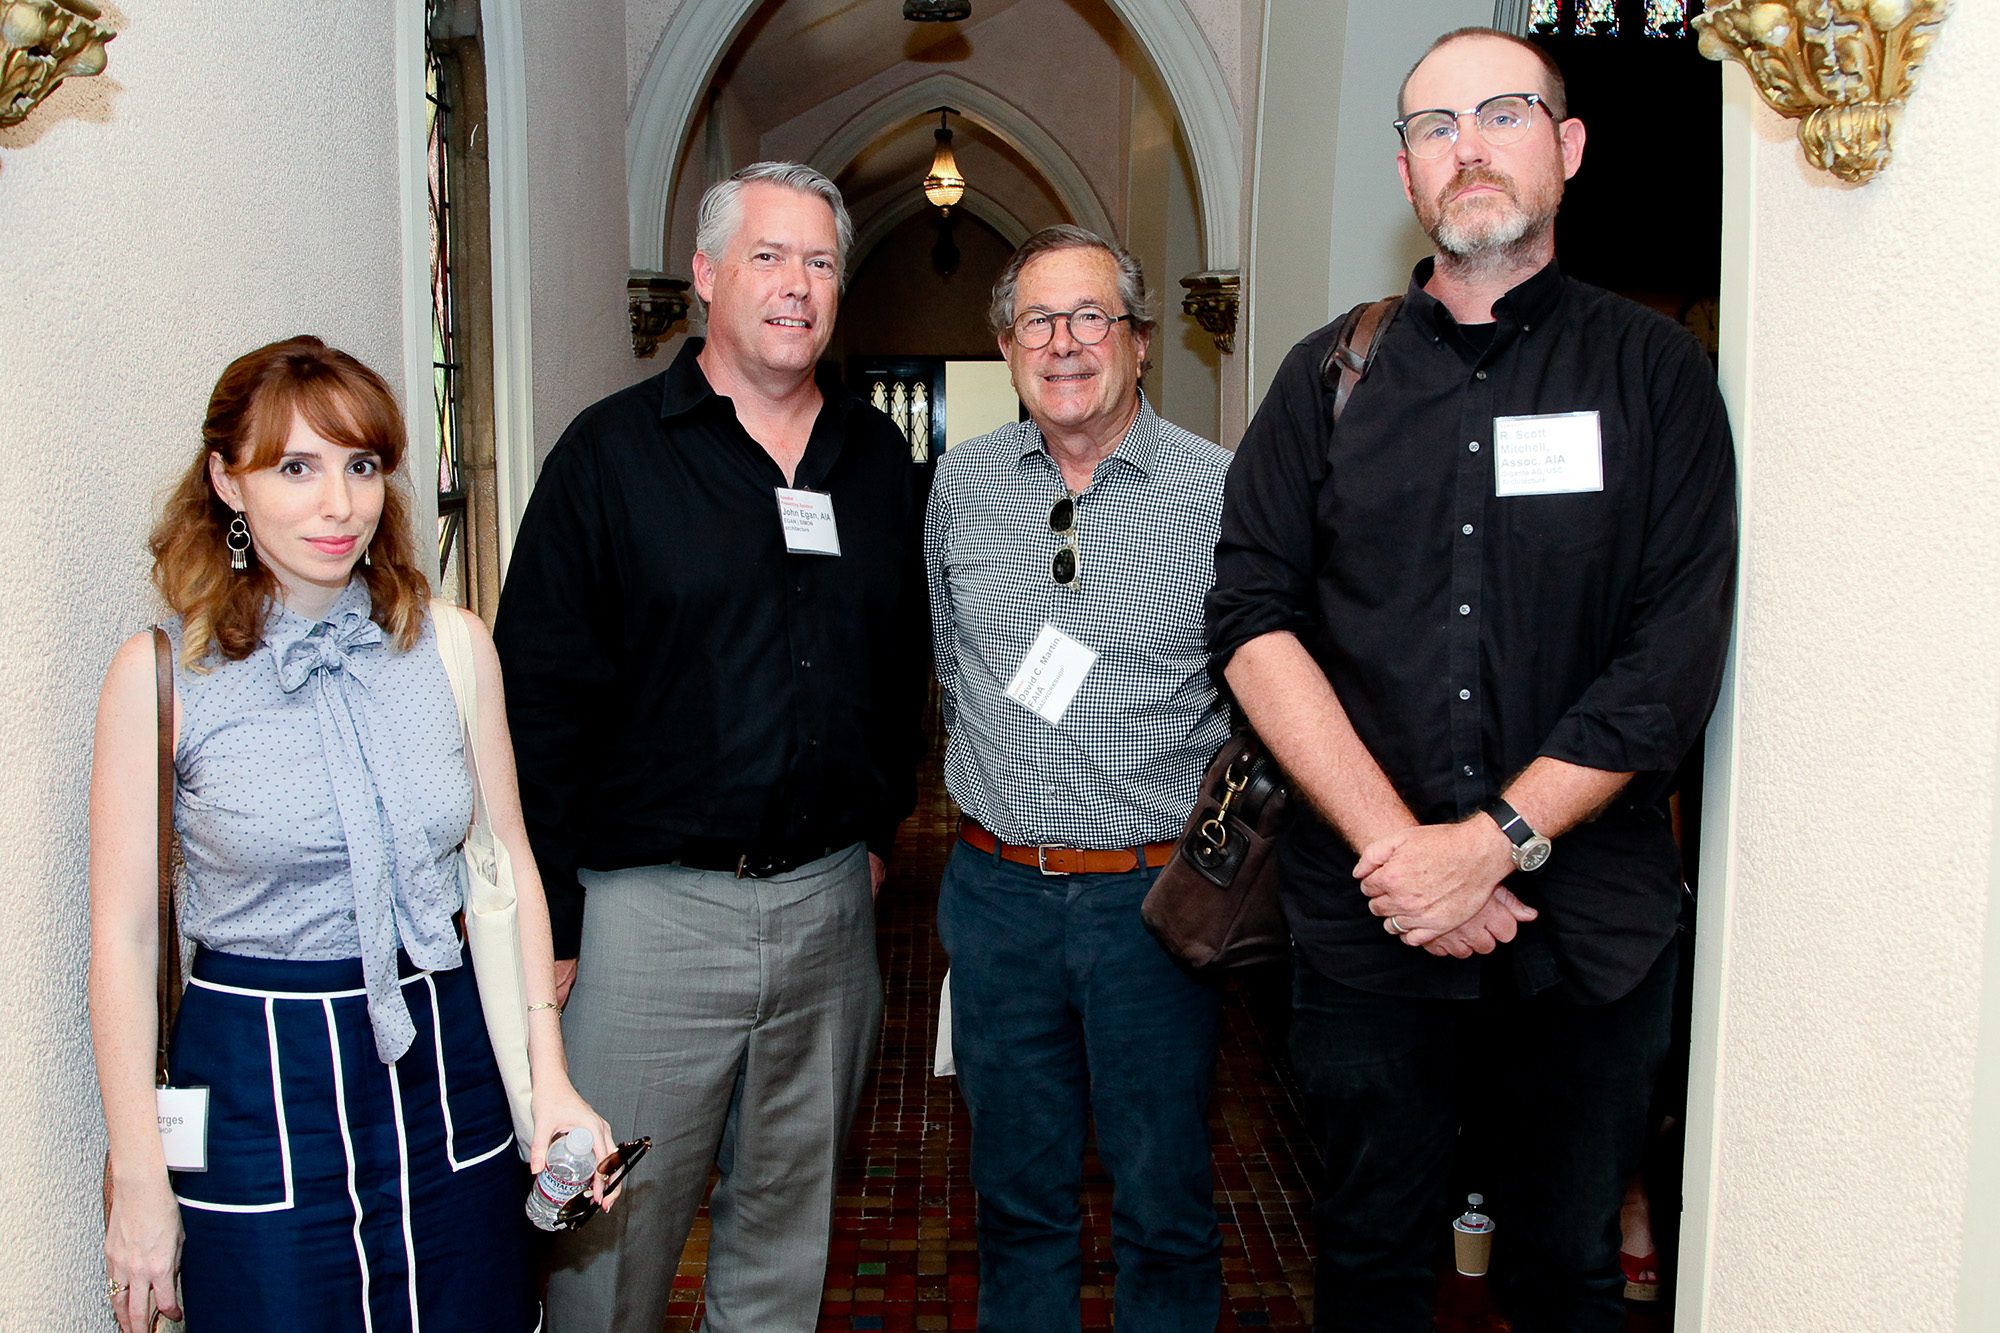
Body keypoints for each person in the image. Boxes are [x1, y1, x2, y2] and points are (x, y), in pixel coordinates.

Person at [1207, 27, 1737, 1333]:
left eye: (1502, 114)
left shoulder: (1656, 377)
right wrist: (1409, 854)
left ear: (1566, 146)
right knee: (1371, 1264)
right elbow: (1250, 619)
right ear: (1407, 174)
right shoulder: (1325, 379)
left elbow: (1672, 655)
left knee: (1567, 1274)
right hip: (1368, 928)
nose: (1470, 148)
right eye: (1436, 127)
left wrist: (1496, 842)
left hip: (1588, 938)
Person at [89, 335, 614, 1333]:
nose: (339, 503)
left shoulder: (452, 648)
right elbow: (122, 942)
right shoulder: (159, 680)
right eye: (296, 467)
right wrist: (139, 1180)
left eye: (360, 465)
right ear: (226, 482)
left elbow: (503, 863)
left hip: (442, 1060)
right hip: (255, 1081)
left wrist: (548, 1079)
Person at [495, 161, 927, 1333]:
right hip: (645, 917)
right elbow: (535, 701)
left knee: (787, 1233)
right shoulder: (610, 456)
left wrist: (876, 834)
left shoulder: (877, 463)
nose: (797, 286)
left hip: (830, 915)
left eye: (822, 262)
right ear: (705, 275)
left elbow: (901, 669)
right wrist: (560, 929)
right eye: (769, 257)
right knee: (603, 1237)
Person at [926, 224, 1231, 1332]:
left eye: (1089, 316)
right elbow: (949, 667)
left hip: (1149, 905)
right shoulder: (958, 488)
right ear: (1007, 348)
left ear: (1139, 342)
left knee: (1162, 1201)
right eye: (1036, 322)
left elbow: (1254, 697)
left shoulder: (1217, 490)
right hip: (996, 897)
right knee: (1016, 1201)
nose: (1064, 344)